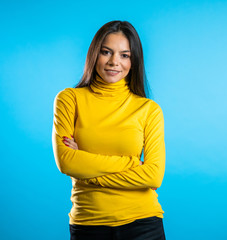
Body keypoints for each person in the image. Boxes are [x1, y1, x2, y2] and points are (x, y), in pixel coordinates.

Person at [52, 20, 166, 240]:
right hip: (88, 223)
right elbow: (67, 162)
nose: (114, 62)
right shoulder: (69, 100)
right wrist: (132, 164)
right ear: (95, 54)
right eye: (106, 52)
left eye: (125, 55)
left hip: (143, 223)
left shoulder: (148, 109)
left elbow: (153, 176)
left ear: (134, 61)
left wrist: (86, 171)